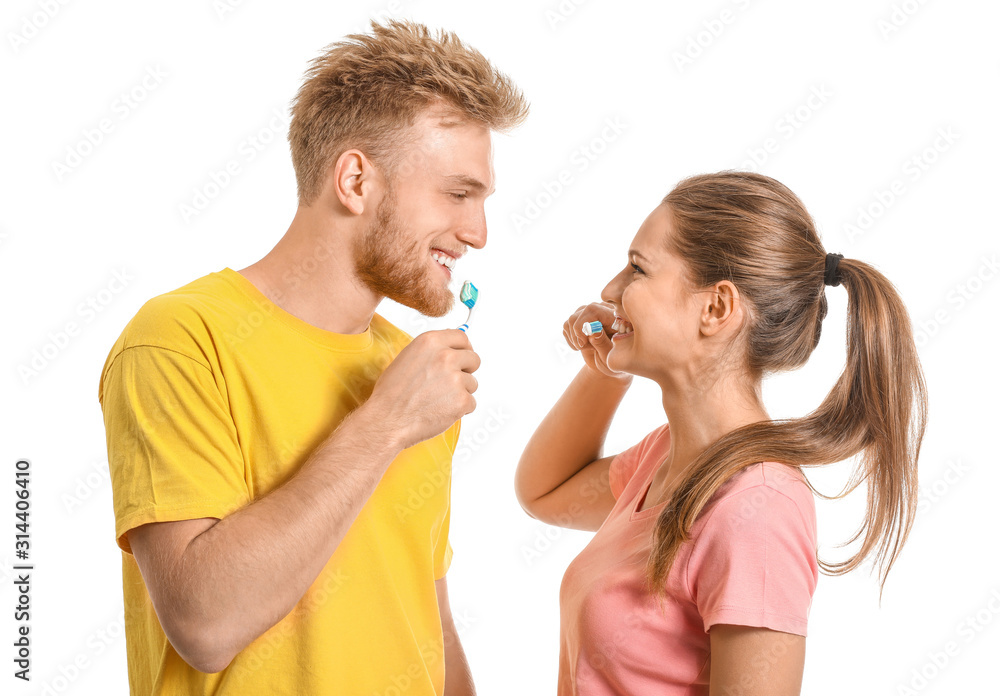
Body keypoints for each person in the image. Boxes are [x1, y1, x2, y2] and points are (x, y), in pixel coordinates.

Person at [97, 19, 527, 695]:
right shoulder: (181, 338)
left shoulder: (412, 370)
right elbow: (205, 622)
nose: (476, 232)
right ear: (356, 180)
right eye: (457, 193)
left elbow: (423, 612)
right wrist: (385, 423)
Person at [515, 171, 927, 695]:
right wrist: (605, 366)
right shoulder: (664, 455)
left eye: (637, 270)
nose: (610, 290)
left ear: (716, 308)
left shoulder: (758, 505)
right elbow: (545, 493)